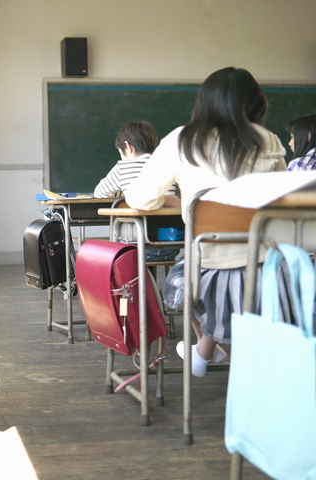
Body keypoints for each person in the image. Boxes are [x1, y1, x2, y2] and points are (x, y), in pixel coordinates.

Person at [125, 67, 287, 377]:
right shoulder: (268, 141)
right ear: (255, 103)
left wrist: (180, 199)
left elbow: (140, 200)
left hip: (207, 265)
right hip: (267, 267)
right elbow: (282, 201)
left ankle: (204, 346)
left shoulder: (181, 140)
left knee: (179, 280)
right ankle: (209, 350)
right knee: (233, 274)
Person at [94, 120, 180, 262]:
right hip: (171, 247)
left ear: (128, 147)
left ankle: (138, 284)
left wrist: (123, 192)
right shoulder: (169, 166)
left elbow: (99, 193)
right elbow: (179, 200)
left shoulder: (123, 168)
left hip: (133, 248)